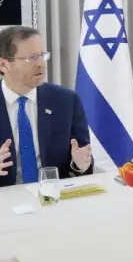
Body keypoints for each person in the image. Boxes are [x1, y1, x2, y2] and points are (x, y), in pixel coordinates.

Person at [0, 26, 93, 187]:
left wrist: (79, 165)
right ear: (3, 64)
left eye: (42, 55)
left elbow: (83, 164)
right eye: (31, 58)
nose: (40, 64)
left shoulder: (66, 101)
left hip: (54, 198)